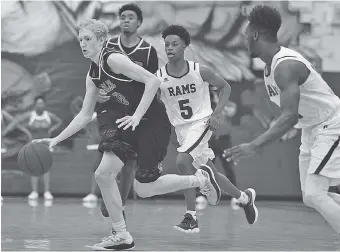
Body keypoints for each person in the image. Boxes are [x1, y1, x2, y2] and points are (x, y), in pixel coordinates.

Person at [34, 19, 222, 250]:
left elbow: (152, 80)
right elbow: (84, 115)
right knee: (104, 174)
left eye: (88, 39)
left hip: (152, 122)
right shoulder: (93, 73)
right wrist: (55, 140)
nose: (82, 43)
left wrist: (137, 115)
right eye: (80, 39)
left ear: (102, 40)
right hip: (129, 124)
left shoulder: (113, 58)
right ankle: (122, 235)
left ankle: (201, 179)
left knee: (143, 188)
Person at [224, 5, 340, 234]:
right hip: (312, 128)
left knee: (316, 194)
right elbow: (292, 114)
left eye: (246, 33)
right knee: (310, 196)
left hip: (331, 124)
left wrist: (254, 145)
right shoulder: (270, 68)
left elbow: (288, 116)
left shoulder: (285, 65)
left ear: (255, 34)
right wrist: (289, 125)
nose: (244, 38)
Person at [156, 25, 258, 233]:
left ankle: (191, 216)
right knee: (212, 171)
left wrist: (216, 113)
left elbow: (226, 88)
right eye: (167, 44)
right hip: (182, 130)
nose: (170, 48)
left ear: (184, 46)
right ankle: (244, 197)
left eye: (174, 44)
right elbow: (156, 103)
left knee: (182, 161)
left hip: (201, 123)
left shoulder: (198, 70)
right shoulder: (159, 77)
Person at [97, 3, 159, 219]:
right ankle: (110, 194)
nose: (126, 20)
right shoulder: (108, 46)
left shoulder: (148, 51)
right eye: (122, 17)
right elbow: (99, 78)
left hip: (135, 112)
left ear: (139, 22)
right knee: (110, 151)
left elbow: (153, 84)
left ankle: (119, 205)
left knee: (130, 160)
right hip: (111, 109)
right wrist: (99, 94)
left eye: (131, 17)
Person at [3, 96, 62, 200]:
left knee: (46, 168)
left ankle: (47, 192)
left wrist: (52, 129)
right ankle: (34, 192)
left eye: (42, 103)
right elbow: (16, 122)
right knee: (33, 168)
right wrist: (25, 132)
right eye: (38, 103)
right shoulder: (30, 115)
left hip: (45, 146)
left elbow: (59, 122)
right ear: (35, 105)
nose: (40, 105)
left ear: (44, 104)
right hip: (33, 146)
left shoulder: (48, 115)